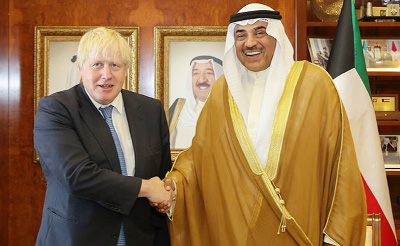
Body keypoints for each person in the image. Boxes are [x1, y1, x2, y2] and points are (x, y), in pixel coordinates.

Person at [156, 3, 367, 246]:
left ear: (276, 35)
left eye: (260, 32)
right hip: (233, 231)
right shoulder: (222, 92)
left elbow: (341, 164)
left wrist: (337, 235)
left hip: (298, 229)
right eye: (241, 35)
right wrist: (174, 188)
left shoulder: (314, 85)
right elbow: (200, 158)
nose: (250, 43)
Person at [34, 27, 173, 246]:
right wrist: (148, 188)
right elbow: (77, 175)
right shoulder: (56, 109)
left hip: (141, 237)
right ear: (81, 68)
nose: (106, 74)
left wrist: (166, 191)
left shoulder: (150, 110)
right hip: (76, 238)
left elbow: (162, 171)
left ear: (126, 70)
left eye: (115, 65)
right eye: (97, 64)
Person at [169, 55, 223, 149]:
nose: (202, 79)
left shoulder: (231, 110)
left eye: (209, 73)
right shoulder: (178, 108)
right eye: (196, 73)